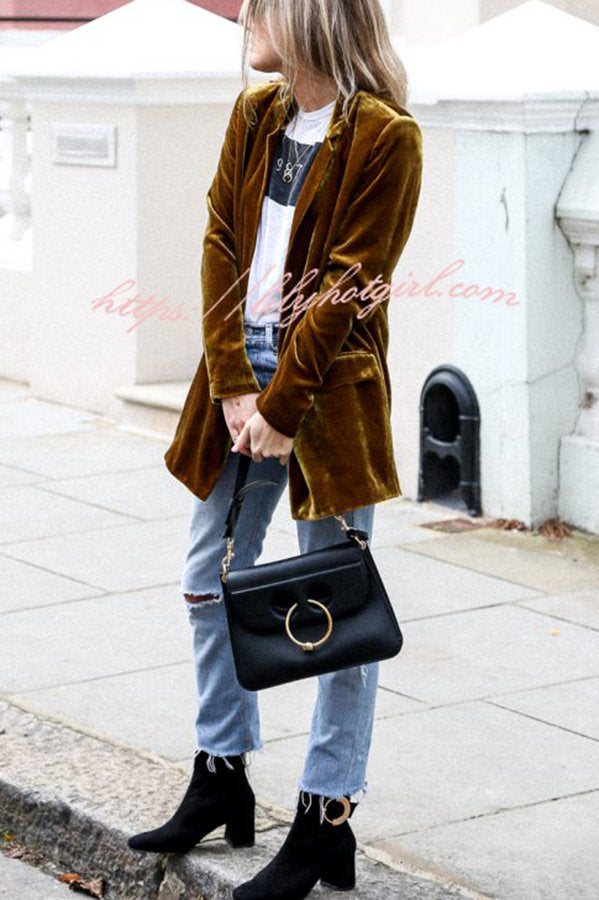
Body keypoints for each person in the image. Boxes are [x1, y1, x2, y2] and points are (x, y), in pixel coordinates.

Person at [128, 0, 423, 897]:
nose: (245, 19)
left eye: (261, 7)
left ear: (309, 17)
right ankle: (222, 772)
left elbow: (348, 284)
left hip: (327, 390)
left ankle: (325, 816)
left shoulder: (385, 136)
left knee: (337, 607)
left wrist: (284, 407)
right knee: (206, 576)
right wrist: (232, 383)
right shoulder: (255, 113)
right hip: (237, 376)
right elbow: (220, 237)